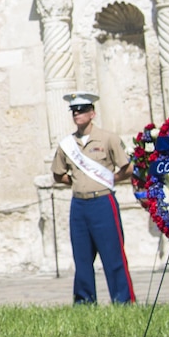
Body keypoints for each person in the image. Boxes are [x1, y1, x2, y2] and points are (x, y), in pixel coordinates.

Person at [51, 92, 134, 305]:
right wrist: (78, 182)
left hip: (103, 202)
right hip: (79, 203)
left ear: (92, 113)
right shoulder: (67, 144)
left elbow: (127, 167)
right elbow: (58, 174)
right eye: (74, 111)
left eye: (82, 110)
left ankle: (123, 300)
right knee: (82, 257)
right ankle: (84, 301)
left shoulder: (108, 139)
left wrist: (111, 179)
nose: (77, 114)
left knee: (113, 255)